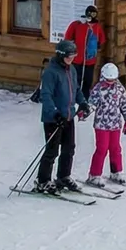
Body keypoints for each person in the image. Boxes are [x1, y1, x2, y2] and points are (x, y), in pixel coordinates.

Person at [35, 38, 89, 193]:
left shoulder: (71, 69)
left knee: (69, 148)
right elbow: (46, 96)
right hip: (54, 119)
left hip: (68, 116)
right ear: (60, 56)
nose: (71, 60)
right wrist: (54, 113)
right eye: (68, 57)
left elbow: (76, 89)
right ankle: (43, 180)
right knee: (52, 150)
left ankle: (63, 176)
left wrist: (83, 103)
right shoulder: (51, 73)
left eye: (73, 57)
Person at [85, 63, 126, 187]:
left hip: (115, 124)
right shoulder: (98, 89)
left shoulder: (119, 88)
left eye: (113, 80)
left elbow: (123, 104)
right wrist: (84, 112)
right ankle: (94, 175)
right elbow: (92, 104)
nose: (110, 82)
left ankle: (116, 172)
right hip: (102, 124)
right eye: (108, 80)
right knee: (102, 148)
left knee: (116, 148)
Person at [64, 5, 105, 99]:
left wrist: (97, 45)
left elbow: (101, 38)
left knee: (88, 80)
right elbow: (67, 38)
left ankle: (85, 98)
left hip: (90, 60)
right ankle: (73, 97)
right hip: (77, 59)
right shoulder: (77, 25)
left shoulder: (97, 26)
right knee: (75, 80)